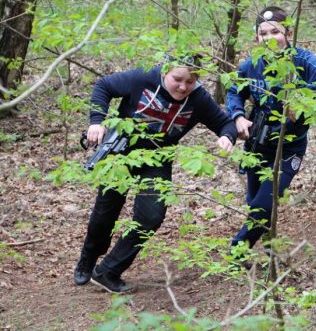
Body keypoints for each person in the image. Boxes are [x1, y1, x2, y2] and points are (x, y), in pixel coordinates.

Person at [73, 55, 237, 293]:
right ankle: (88, 258)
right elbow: (104, 86)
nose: (183, 87)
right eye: (177, 79)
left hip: (158, 158)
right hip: (122, 151)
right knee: (106, 211)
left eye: (190, 81)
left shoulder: (199, 98)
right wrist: (96, 121)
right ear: (165, 71)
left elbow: (225, 123)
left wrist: (227, 135)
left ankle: (107, 271)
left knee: (151, 216)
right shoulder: (143, 77)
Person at [226, 6, 316, 252]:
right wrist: (237, 116)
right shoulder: (250, 65)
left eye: (275, 32)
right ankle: (269, 246)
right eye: (263, 33)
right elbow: (234, 90)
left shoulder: (302, 60)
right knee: (254, 201)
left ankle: (237, 251)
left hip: (290, 146)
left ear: (287, 33)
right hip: (257, 145)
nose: (269, 38)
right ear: (257, 38)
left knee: (265, 203)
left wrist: (302, 97)